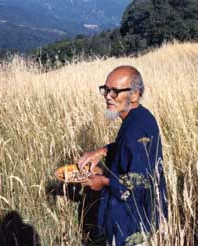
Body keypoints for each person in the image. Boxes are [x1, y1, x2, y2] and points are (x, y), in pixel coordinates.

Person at [78, 66, 168, 245]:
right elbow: (127, 149)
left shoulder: (136, 128)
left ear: (134, 95)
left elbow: (138, 186)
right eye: (106, 89)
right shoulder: (139, 116)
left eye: (115, 91)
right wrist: (102, 151)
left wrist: (102, 182)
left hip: (132, 224)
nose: (107, 96)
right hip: (129, 219)